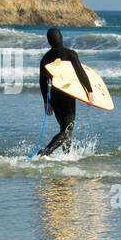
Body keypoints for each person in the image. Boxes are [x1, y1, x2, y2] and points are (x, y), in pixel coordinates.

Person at [37, 27, 93, 157]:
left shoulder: (45, 59)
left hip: (55, 96)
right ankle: (45, 153)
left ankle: (67, 156)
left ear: (49, 41)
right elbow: (81, 73)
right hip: (68, 95)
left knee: (65, 129)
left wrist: (46, 101)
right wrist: (89, 91)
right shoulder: (70, 54)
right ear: (61, 37)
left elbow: (42, 82)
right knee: (67, 131)